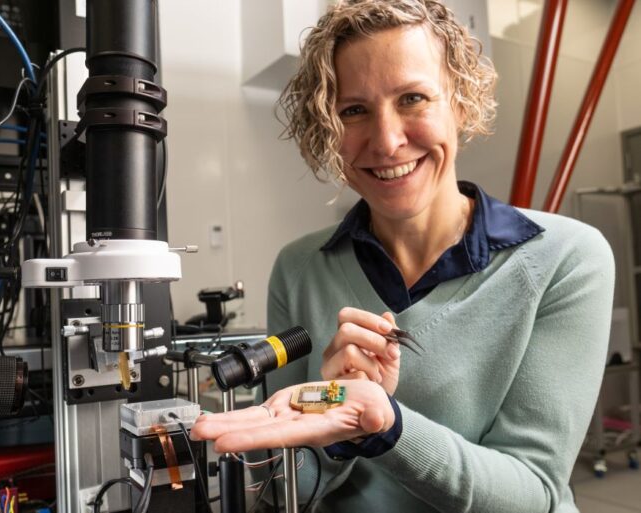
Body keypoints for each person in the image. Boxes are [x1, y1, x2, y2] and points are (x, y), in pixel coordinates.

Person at [191, 1, 615, 511]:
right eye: (353, 110)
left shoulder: (566, 258)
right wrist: (335, 430)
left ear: (460, 103)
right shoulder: (299, 268)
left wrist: (386, 425)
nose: (388, 141)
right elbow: (284, 490)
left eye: (412, 98)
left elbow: (534, 495)